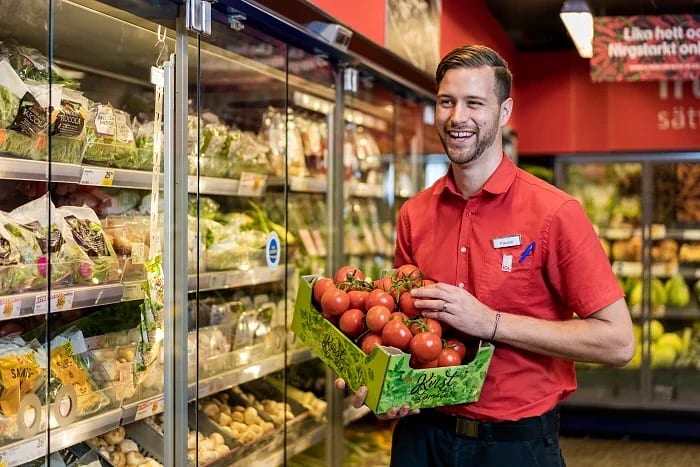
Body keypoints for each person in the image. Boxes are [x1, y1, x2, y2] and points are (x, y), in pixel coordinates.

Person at [336, 44, 635, 467]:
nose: (458, 118)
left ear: (504, 111)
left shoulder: (556, 213)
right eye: (446, 102)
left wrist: (489, 323)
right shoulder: (414, 214)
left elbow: (619, 342)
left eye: (475, 103)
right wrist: (383, 385)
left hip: (514, 446)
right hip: (422, 439)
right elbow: (402, 330)